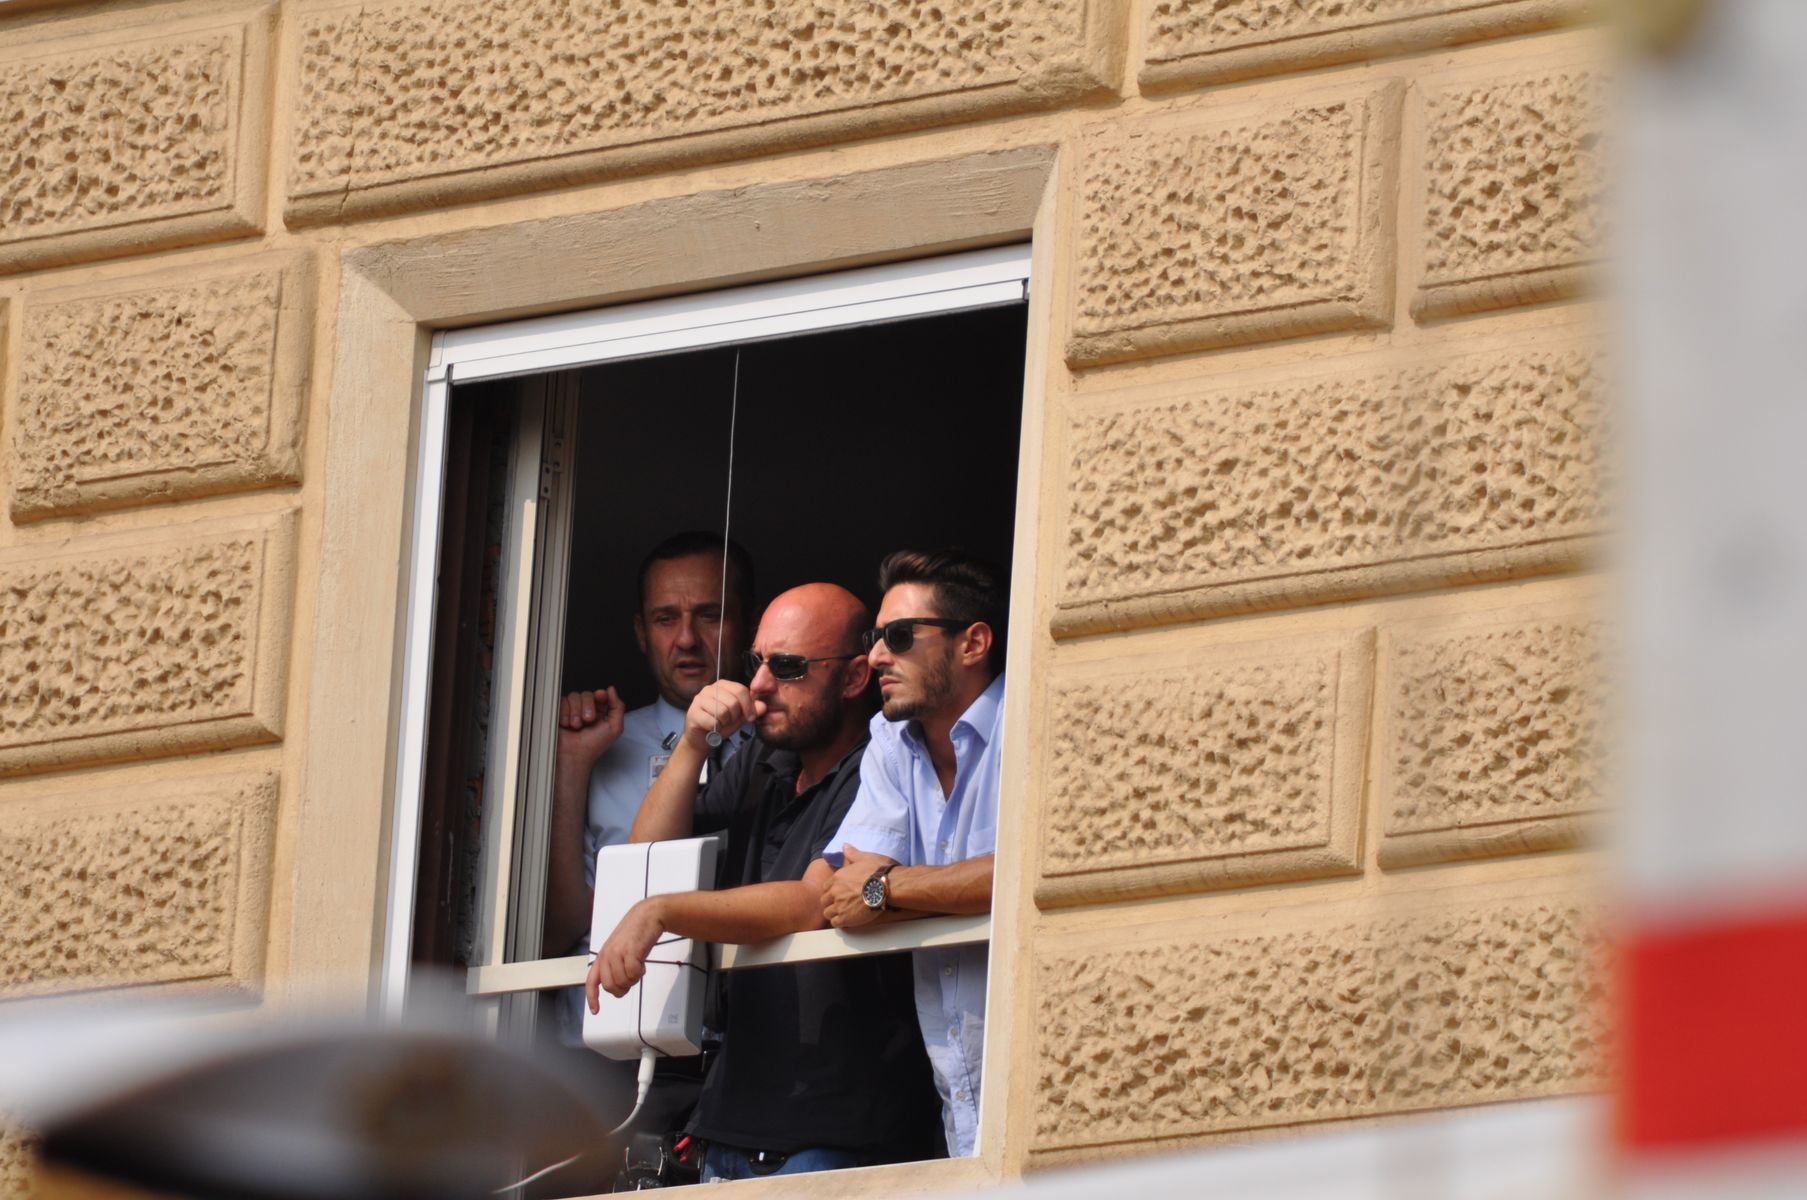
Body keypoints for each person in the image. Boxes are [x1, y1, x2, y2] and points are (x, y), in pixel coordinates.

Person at [586, 583, 942, 1181]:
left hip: (837, 1127)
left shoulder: (883, 764)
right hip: (729, 1117)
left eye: (788, 667)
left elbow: (810, 903)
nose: (758, 685)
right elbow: (648, 858)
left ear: (855, 677)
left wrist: (661, 912)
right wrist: (693, 745)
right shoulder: (762, 757)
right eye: (757, 662)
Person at [817, 549, 1007, 1159]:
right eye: (874, 638)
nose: (876, 656)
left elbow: (1032, 875)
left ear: (973, 643)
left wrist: (890, 888)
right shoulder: (892, 739)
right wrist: (955, 887)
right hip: (960, 1108)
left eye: (898, 636)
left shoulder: (1026, 722)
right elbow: (841, 895)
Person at [544, 532, 755, 987]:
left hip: (747, 1011)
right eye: (666, 619)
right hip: (613, 1011)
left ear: (747, 624)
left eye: (710, 616)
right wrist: (571, 765)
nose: (687, 639)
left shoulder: (783, 745)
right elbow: (554, 934)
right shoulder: (601, 747)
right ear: (642, 633)